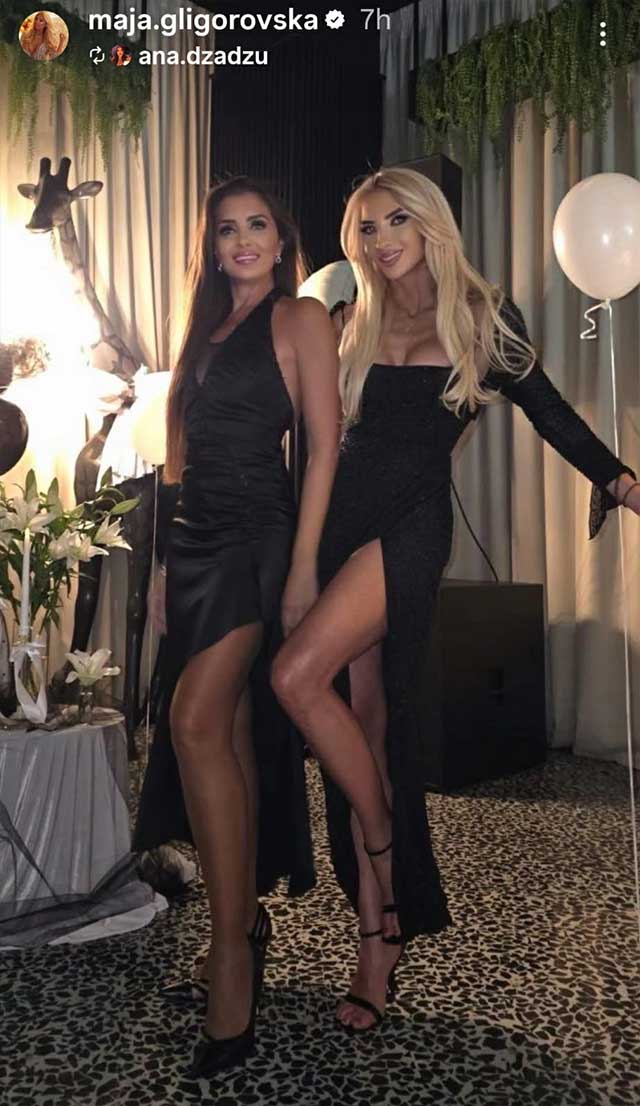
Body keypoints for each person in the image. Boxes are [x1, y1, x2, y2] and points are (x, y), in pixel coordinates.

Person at [271, 167, 639, 1034]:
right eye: (366, 227)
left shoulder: (482, 318)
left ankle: (388, 852)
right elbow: (311, 441)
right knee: (364, 733)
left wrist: (622, 482)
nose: (382, 239)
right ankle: (377, 937)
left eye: (397, 219)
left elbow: (551, 414)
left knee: (295, 678)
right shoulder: (349, 320)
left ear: (430, 223)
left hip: (409, 528)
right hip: (339, 524)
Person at [133, 176, 341, 1075]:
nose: (243, 240)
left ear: (280, 241)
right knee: (233, 733)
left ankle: (227, 958)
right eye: (227, 230)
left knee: (192, 723)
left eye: (257, 226)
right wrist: (162, 567)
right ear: (213, 249)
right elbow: (179, 453)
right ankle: (246, 922)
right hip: (193, 539)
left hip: (259, 537)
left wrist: (304, 567)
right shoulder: (203, 330)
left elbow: (323, 447)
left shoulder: (300, 318)